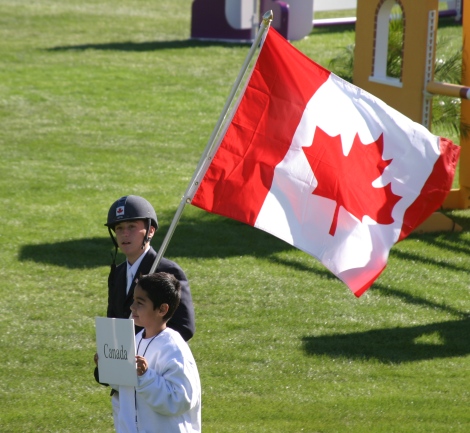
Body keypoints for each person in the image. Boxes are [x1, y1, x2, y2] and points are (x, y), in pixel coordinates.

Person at [95, 273, 201, 433]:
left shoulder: (173, 347)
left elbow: (179, 400)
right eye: (133, 301)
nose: (132, 307)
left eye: (140, 303)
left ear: (162, 309)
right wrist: (109, 366)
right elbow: (127, 388)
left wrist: (145, 376)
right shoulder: (134, 340)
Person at [105, 195, 195, 341]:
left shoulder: (169, 271)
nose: (124, 234)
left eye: (132, 227)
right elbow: (113, 321)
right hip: (123, 361)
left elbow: (184, 327)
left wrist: (144, 347)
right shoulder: (118, 273)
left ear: (150, 231)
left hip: (155, 361)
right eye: (119, 228)